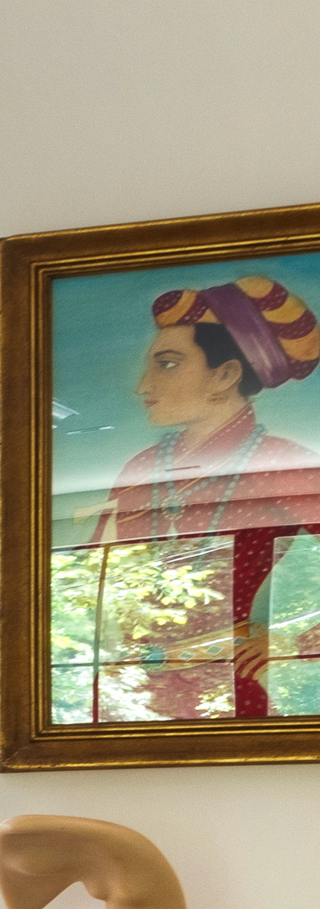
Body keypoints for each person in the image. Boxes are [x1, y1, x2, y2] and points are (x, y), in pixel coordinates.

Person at [65, 272, 320, 721]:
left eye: (166, 364)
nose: (143, 386)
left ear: (225, 374)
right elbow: (84, 585)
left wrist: (290, 644)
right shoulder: (140, 468)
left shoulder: (285, 466)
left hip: (226, 693)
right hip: (128, 695)